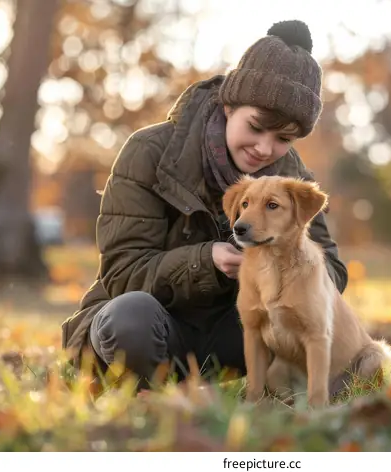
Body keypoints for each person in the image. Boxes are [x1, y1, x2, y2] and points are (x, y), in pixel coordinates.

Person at [61, 19, 348, 390]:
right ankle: (148, 384)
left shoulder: (294, 180)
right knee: (130, 319)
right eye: (256, 127)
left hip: (239, 332)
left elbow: (332, 274)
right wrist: (206, 261)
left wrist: (281, 261)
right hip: (158, 325)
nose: (264, 148)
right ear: (230, 106)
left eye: (283, 138)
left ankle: (260, 388)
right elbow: (122, 272)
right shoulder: (148, 152)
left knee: (330, 341)